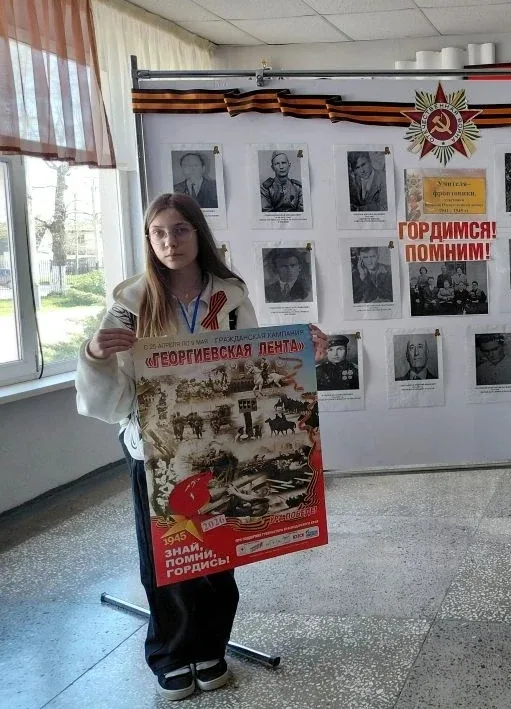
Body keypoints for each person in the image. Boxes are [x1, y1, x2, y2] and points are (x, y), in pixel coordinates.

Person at [74, 192, 328, 701]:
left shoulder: (229, 297)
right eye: (159, 233)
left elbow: (252, 363)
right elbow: (113, 393)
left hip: (223, 447)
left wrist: (303, 349)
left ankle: (210, 645)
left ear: (198, 234)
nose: (170, 242)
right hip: (158, 448)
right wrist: (94, 353)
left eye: (181, 230)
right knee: (168, 553)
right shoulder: (130, 304)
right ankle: (171, 655)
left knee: (217, 547)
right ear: (148, 240)